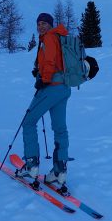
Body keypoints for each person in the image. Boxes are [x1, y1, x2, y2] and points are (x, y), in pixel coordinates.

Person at [15, 12, 71, 190]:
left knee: (29, 122)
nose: (41, 26)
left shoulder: (49, 38)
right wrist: (39, 72)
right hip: (64, 88)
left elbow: (50, 61)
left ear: (50, 25)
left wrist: (43, 78)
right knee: (60, 128)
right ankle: (59, 171)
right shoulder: (61, 37)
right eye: (38, 23)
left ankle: (31, 166)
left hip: (51, 87)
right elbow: (55, 61)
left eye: (44, 23)